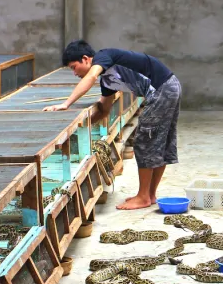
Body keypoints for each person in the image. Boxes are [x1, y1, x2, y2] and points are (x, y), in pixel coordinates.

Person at [44, 41, 182, 210]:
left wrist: (66, 104)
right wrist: (79, 127)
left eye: (74, 67)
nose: (74, 73)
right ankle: (150, 195)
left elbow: (91, 76)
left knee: (144, 143)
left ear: (86, 59)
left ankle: (143, 196)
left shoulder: (104, 56)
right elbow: (103, 111)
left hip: (162, 90)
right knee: (158, 142)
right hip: (169, 87)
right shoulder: (108, 82)